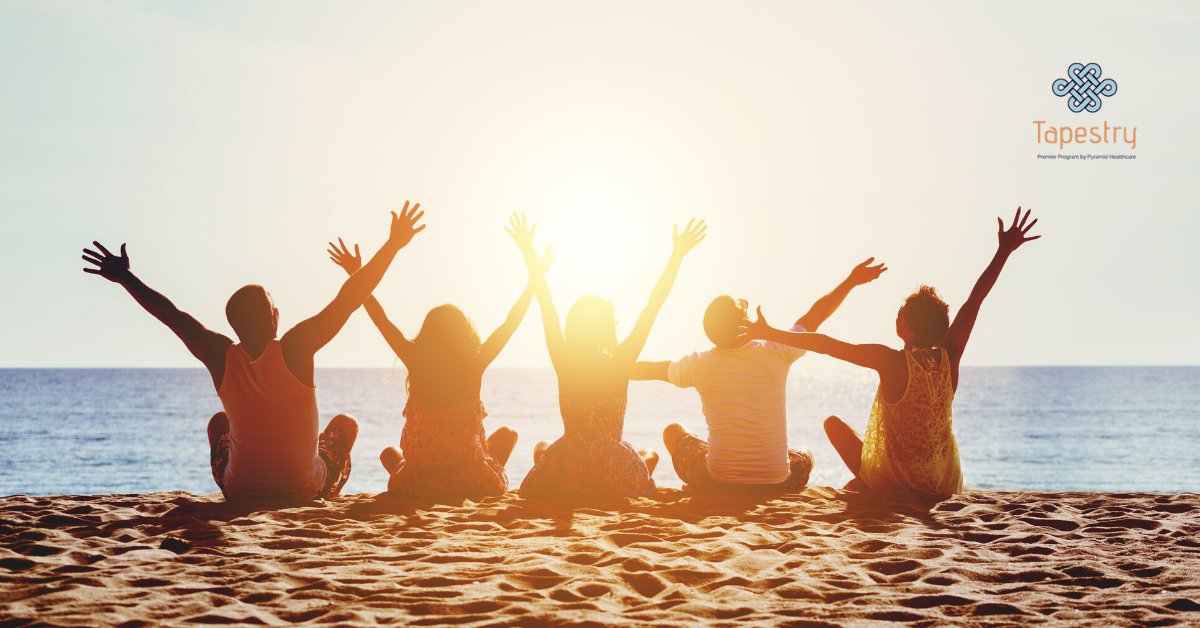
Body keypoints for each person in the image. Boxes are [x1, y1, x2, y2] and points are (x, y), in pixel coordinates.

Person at [81, 203, 426, 501]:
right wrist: (393, 244)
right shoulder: (296, 347)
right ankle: (329, 491)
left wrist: (126, 278)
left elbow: (170, 314)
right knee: (345, 425)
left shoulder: (217, 353)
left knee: (219, 424)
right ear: (273, 318)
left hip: (238, 491)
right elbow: (349, 298)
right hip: (304, 489)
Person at [742, 208, 1040, 497]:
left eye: (901, 313)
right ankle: (863, 486)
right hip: (940, 482)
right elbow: (975, 299)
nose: (896, 315)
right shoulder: (950, 355)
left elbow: (828, 345)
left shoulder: (892, 361)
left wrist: (768, 333)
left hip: (896, 482)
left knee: (833, 425)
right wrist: (1003, 252)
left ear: (908, 331)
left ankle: (866, 485)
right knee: (859, 476)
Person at [632, 259, 888, 495]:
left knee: (673, 431)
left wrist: (614, 368)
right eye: (742, 306)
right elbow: (817, 314)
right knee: (805, 453)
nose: (746, 305)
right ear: (743, 321)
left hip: (717, 481)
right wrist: (850, 282)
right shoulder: (778, 349)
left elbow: (653, 368)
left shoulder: (699, 363)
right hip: (777, 483)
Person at [326, 235, 554, 500]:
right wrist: (534, 275)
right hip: (472, 481)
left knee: (389, 454)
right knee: (508, 435)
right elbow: (510, 324)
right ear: (465, 336)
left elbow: (381, 320)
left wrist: (356, 272)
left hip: (418, 483)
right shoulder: (474, 365)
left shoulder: (414, 358)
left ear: (427, 335)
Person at [509, 212, 706, 499]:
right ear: (607, 327)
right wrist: (677, 255)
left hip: (569, 466)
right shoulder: (620, 362)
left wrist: (529, 253)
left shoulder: (564, 361)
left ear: (572, 326)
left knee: (543, 447)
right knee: (648, 454)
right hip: (612, 466)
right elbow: (652, 307)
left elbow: (546, 305)